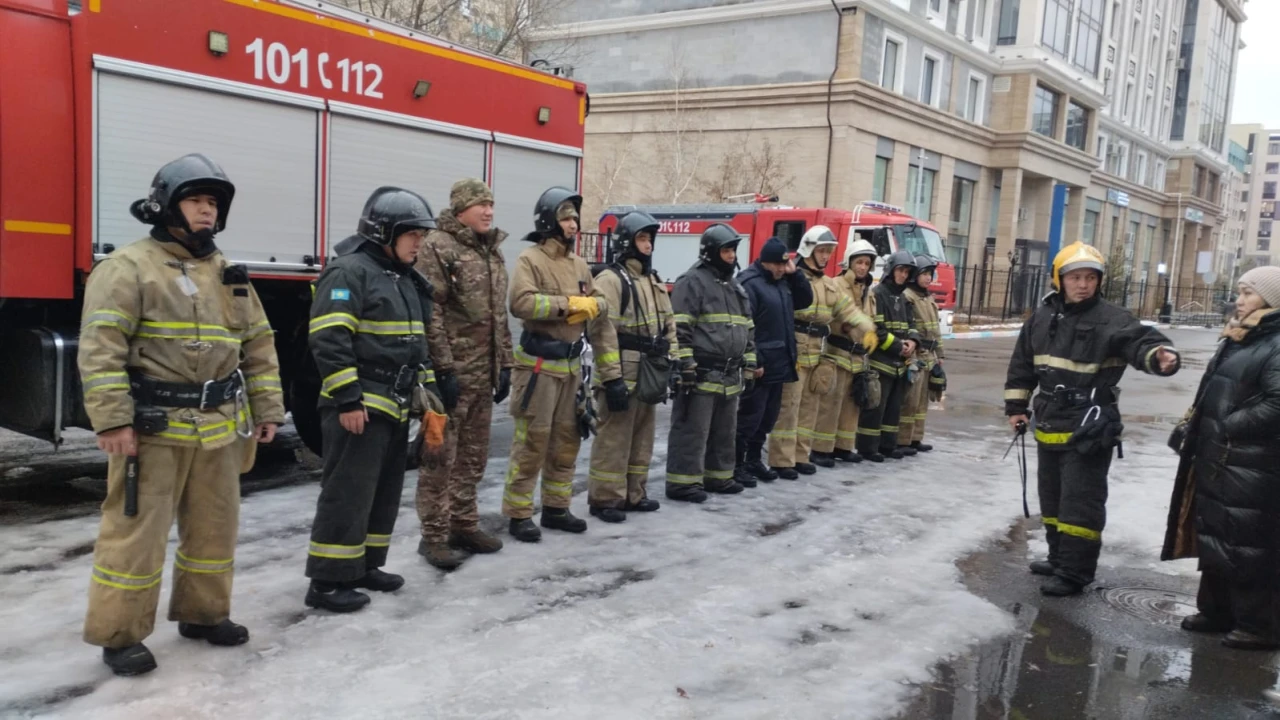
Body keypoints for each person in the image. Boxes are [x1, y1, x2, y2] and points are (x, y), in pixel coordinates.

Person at [78, 153, 284, 676]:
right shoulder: (126, 267)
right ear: (167, 205)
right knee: (136, 533)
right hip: (153, 428)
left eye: (213, 202)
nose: (206, 211)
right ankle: (119, 634)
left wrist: (268, 410)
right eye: (196, 200)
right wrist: (112, 420)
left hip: (218, 427)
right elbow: (100, 348)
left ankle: (204, 614)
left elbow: (258, 345)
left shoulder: (230, 274)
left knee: (215, 529)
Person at [1005, 241, 1180, 597]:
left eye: (1090, 277)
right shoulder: (1041, 318)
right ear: (1060, 279)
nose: (1083, 284)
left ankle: (1074, 572)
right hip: (1050, 421)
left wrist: (1159, 356)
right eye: (1075, 277)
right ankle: (1058, 558)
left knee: (1080, 501)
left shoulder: (1113, 319)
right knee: (1052, 499)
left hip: (1090, 425)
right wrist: (1017, 407)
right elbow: (1022, 365)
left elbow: (1141, 342)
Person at [304, 187, 438, 613]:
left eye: (421, 234)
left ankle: (362, 566)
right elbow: (329, 339)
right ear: (383, 232)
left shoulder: (402, 277)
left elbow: (418, 346)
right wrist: (347, 400)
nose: (419, 242)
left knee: (382, 492)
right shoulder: (349, 273)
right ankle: (326, 581)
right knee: (349, 491)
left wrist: (431, 399)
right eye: (411, 233)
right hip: (360, 405)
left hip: (394, 404)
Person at [1164, 266, 1280, 650]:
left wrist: (1228, 424)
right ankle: (1217, 611)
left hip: (1253, 461)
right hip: (1220, 455)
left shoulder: (1275, 340)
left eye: (1248, 293)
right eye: (1240, 292)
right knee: (1216, 532)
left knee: (1249, 541)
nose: (1240, 300)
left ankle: (1259, 625)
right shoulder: (1242, 336)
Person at [503, 187, 620, 541]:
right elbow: (521, 303)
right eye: (567, 218)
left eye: (574, 218)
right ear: (549, 221)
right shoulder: (530, 259)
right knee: (532, 442)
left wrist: (594, 305)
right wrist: (569, 305)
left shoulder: (579, 264)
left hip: (571, 370)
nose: (573, 225)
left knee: (567, 442)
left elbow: (600, 304)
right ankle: (520, 513)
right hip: (538, 368)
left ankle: (556, 507)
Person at [413, 178, 512, 570]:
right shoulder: (439, 247)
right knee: (440, 458)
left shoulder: (492, 252)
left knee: (473, 458)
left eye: (491, 204)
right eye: (481, 205)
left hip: (483, 376)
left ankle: (463, 523)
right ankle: (433, 536)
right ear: (460, 210)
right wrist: (443, 368)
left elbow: (498, 315)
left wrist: (506, 363)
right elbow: (431, 312)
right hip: (452, 375)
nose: (489, 211)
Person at [585, 211, 677, 522]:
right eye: (641, 238)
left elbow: (668, 325)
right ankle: (605, 499)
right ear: (626, 241)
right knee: (614, 439)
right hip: (622, 372)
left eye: (650, 238)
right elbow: (602, 331)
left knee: (642, 437)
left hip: (649, 372)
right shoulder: (610, 280)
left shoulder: (652, 281)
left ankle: (634, 494)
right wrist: (611, 380)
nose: (648, 244)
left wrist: (672, 363)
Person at [666, 224, 757, 501]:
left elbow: (748, 328)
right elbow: (680, 328)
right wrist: (686, 366)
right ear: (711, 253)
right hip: (702, 371)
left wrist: (750, 365)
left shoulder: (734, 286)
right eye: (726, 250)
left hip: (730, 373)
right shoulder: (691, 282)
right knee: (693, 429)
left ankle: (719, 477)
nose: (731, 256)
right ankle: (683, 483)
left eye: (733, 250)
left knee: (724, 430)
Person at [734, 237, 813, 486]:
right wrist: (753, 359)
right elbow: (745, 326)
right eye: (777, 265)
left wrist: (795, 274)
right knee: (749, 417)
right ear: (765, 262)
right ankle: (736, 464)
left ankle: (754, 460)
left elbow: (804, 301)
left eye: (784, 264)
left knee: (767, 418)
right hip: (760, 364)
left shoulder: (782, 282)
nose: (781, 269)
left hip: (780, 360)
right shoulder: (749, 283)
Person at [813, 239, 880, 464]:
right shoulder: (835, 284)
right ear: (849, 262)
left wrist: (871, 334)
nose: (863, 267)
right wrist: (847, 326)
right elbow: (827, 315)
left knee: (851, 407)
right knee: (830, 405)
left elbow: (871, 317)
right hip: (836, 353)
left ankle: (843, 447)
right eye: (859, 262)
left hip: (857, 357)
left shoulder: (868, 291)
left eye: (867, 263)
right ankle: (821, 449)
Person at [856, 250, 920, 462]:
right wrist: (899, 346)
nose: (904, 275)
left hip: (899, 364)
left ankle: (887, 445)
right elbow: (877, 328)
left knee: (893, 409)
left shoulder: (903, 299)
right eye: (901, 270)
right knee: (876, 408)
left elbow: (912, 325)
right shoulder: (878, 294)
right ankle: (868, 448)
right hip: (881, 363)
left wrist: (912, 342)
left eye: (907, 271)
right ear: (891, 270)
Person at [897, 254, 945, 454]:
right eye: (924, 274)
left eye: (930, 274)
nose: (927, 278)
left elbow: (936, 330)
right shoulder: (908, 296)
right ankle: (903, 440)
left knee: (923, 400)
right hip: (917, 354)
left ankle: (916, 438)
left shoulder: (927, 297)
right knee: (910, 400)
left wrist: (939, 355)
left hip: (930, 355)